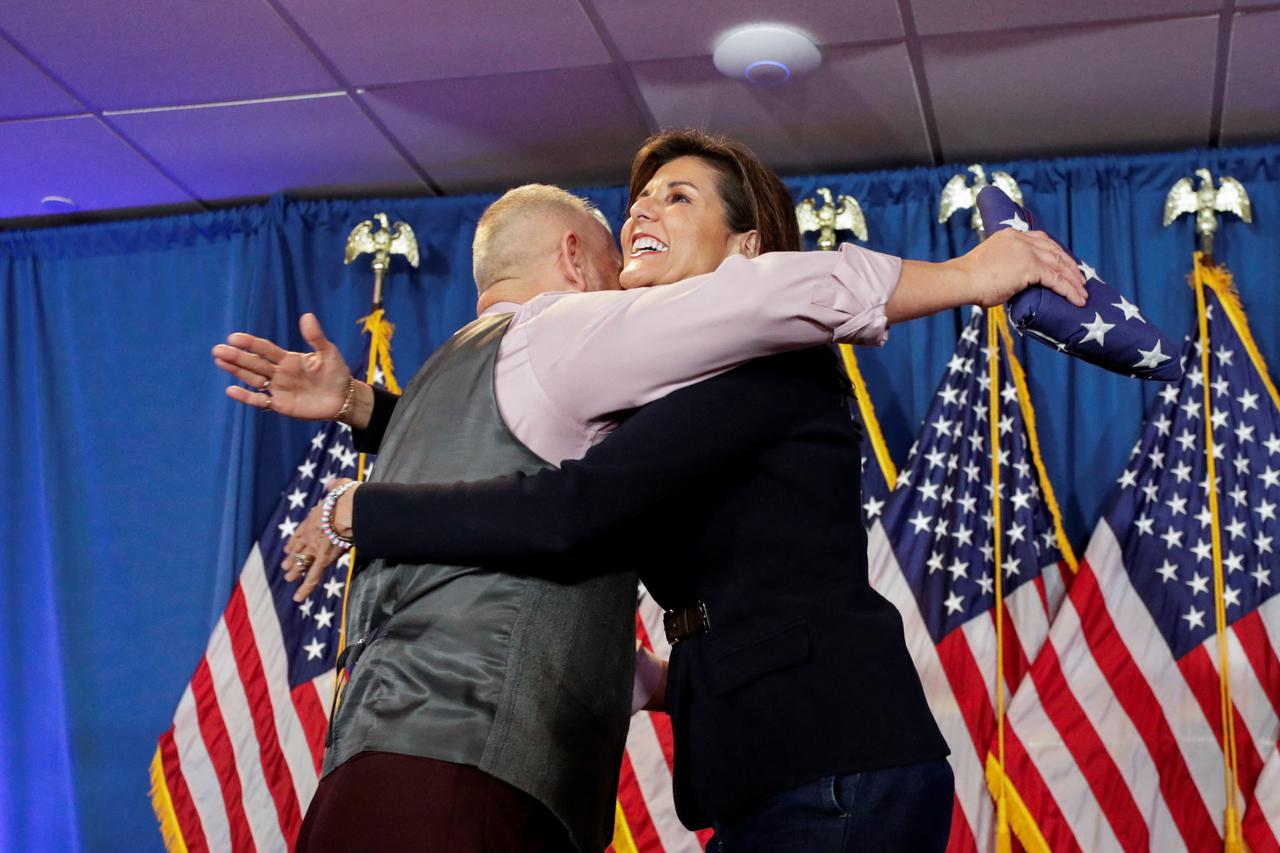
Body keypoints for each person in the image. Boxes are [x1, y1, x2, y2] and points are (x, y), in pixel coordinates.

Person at [219, 133, 1084, 852]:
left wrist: (361, 509)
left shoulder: (767, 361)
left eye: (677, 197)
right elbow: (540, 446)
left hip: (833, 772)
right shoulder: (666, 394)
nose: (640, 211)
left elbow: (569, 507)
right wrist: (369, 411)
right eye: (639, 197)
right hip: (781, 775)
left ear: (746, 248)